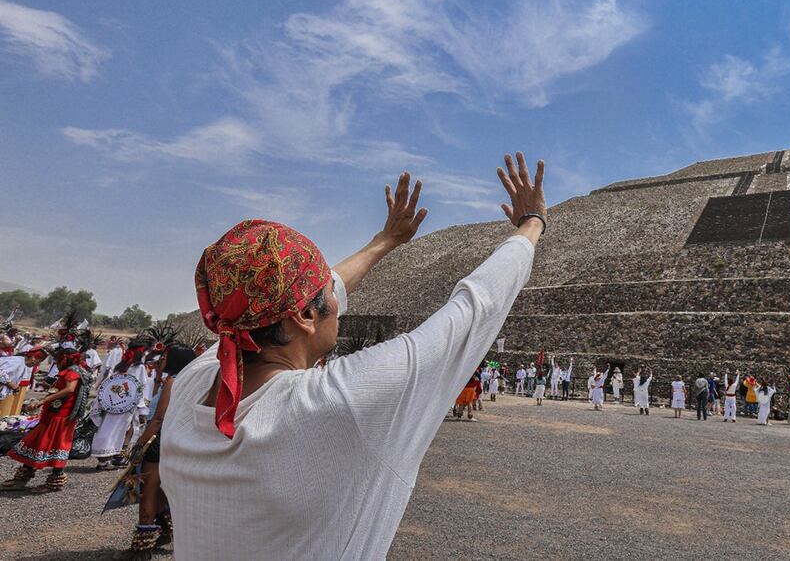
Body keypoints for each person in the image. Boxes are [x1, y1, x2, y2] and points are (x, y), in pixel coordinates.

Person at [160, 153, 546, 560]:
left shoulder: (192, 385)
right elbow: (474, 309)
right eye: (325, 293)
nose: (336, 296)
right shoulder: (339, 404)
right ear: (306, 316)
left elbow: (319, 292)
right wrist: (533, 223)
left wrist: (385, 241)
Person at [114, 345, 198, 559]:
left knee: (149, 490)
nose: (160, 362)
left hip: (158, 440)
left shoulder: (173, 381)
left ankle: (141, 549)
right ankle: (164, 532)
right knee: (162, 489)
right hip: (176, 439)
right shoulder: (191, 381)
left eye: (165, 358)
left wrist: (140, 444)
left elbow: (158, 418)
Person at [2, 347, 92, 492]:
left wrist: (43, 400)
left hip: (62, 417)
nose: (55, 364)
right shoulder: (71, 371)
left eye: (57, 361)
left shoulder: (72, 372)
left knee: (56, 445)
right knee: (38, 443)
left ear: (63, 359)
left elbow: (70, 389)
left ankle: (53, 482)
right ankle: (22, 478)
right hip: (54, 415)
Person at [90, 343, 152, 470]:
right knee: (127, 429)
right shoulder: (139, 367)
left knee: (109, 428)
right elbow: (141, 386)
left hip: (113, 403)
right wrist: (142, 407)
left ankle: (107, 458)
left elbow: (110, 381)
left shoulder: (121, 365)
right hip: (126, 405)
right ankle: (118, 456)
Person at [0, 349, 44, 417]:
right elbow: (1, 373)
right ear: (33, 358)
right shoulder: (16, 361)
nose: (38, 364)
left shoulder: (22, 363)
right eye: (39, 361)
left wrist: (14, 388)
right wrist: (11, 384)